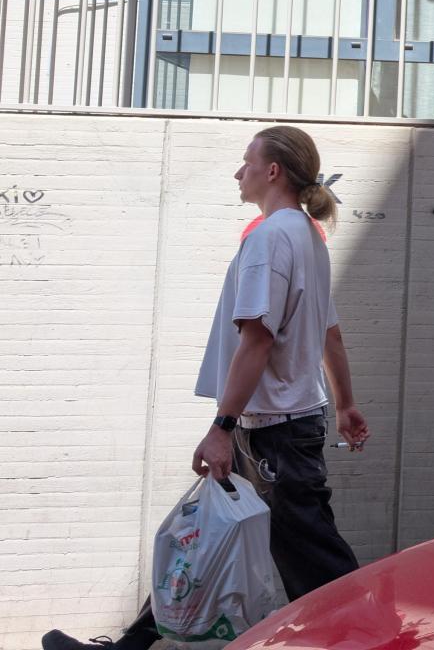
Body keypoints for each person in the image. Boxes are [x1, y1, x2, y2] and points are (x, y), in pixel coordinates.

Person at [44, 126, 370, 650]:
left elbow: (257, 341)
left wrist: (221, 426)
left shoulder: (270, 238)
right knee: (202, 544)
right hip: (275, 430)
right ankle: (133, 645)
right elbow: (329, 331)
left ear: (273, 171)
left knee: (318, 563)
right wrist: (347, 403)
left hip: (273, 437)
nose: (238, 172)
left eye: (247, 162)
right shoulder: (308, 237)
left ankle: (385, 639)